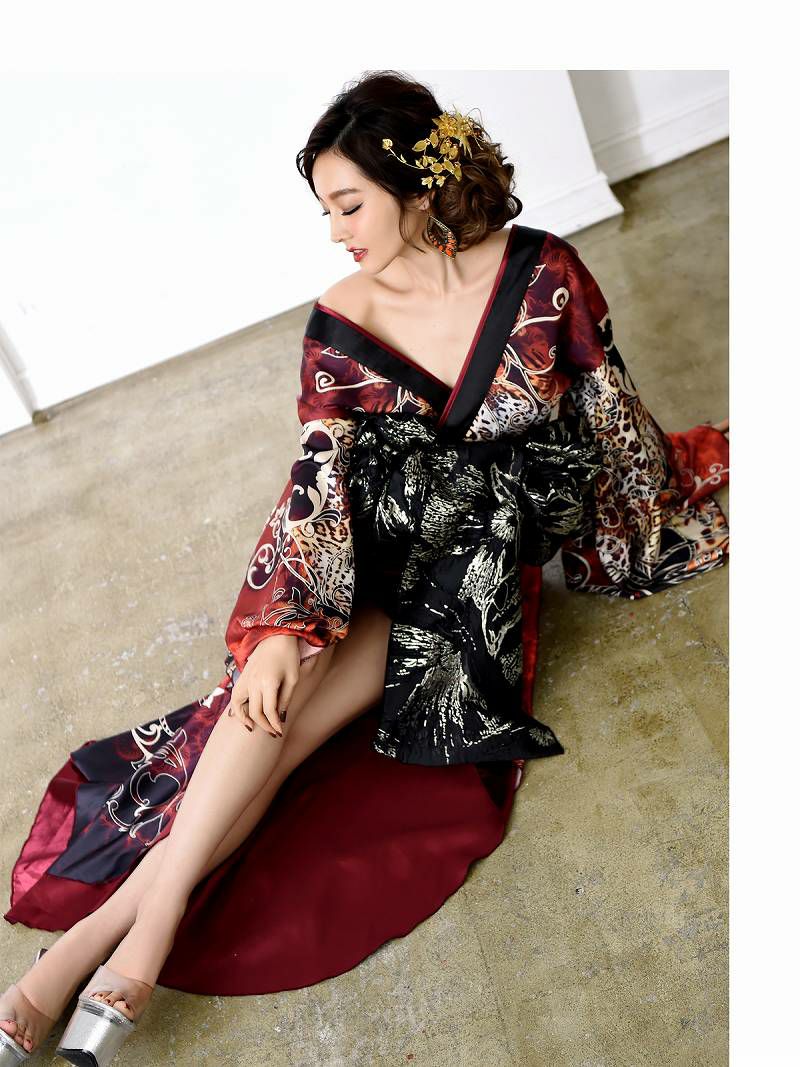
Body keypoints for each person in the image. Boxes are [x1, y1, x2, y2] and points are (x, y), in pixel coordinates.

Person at [0, 70, 730, 1064]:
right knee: (275, 700)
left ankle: (76, 959)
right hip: (362, 560)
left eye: (349, 205)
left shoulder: (545, 275)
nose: (336, 231)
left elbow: (609, 420)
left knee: (292, 735)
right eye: (326, 211)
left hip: (466, 583)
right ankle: (122, 948)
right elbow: (316, 484)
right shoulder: (341, 318)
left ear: (417, 186)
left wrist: (632, 527)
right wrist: (279, 629)